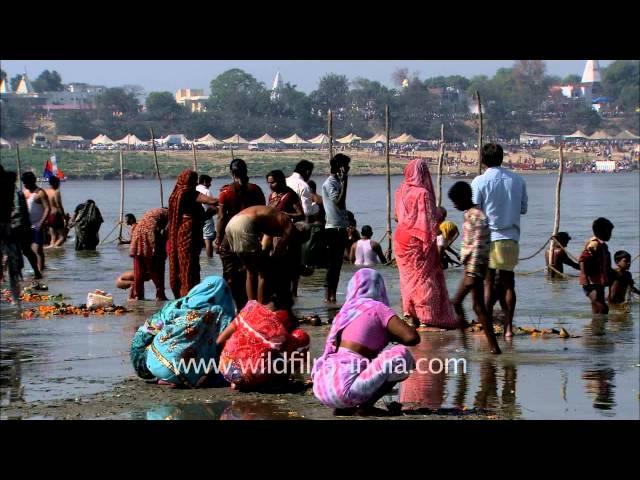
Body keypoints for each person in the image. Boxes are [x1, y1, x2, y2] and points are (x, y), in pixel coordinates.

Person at [312, 268, 419, 415]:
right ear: (379, 288)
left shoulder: (344, 312)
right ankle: (366, 406)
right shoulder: (377, 308)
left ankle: (344, 407)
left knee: (358, 361)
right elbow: (412, 338)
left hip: (322, 388)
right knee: (402, 356)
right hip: (346, 391)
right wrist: (392, 334)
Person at [129, 276, 235, 387]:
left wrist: (140, 364)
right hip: (190, 375)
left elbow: (146, 331)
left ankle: (165, 375)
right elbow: (224, 351)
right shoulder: (225, 317)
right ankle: (178, 378)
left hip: (156, 364)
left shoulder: (180, 304)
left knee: (154, 337)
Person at [393, 158, 459, 329]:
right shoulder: (422, 193)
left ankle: (410, 314)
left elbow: (397, 216)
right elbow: (428, 221)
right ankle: (426, 316)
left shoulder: (400, 190)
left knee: (407, 279)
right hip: (417, 239)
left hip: (400, 239)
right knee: (423, 278)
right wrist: (440, 214)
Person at [471, 143, 528, 338]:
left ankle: (487, 325)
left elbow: (474, 211)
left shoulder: (479, 181)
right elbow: (523, 209)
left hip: (489, 238)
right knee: (508, 284)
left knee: (487, 283)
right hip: (510, 238)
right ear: (502, 158)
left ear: (483, 160)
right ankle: (509, 328)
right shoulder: (517, 180)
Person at [448, 181, 501, 354]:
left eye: (456, 201)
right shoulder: (472, 214)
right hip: (473, 267)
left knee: (458, 302)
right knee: (478, 307)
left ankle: (466, 344)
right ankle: (491, 347)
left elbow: (478, 245)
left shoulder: (476, 216)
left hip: (474, 267)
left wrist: (472, 272)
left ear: (464, 198)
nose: (455, 205)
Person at [217, 299, 310, 391]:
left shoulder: (250, 308)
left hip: (226, 365)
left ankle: (239, 378)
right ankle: (276, 381)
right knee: (301, 337)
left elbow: (219, 341)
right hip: (252, 374)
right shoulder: (278, 328)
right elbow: (288, 353)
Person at [216, 159, 266, 310]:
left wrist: (218, 238)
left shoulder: (225, 192)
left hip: (230, 234)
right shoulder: (255, 190)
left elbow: (221, 217)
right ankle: (252, 305)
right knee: (251, 271)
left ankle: (236, 306)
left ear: (231, 173)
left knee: (230, 273)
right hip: (251, 233)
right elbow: (262, 212)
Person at [224, 205, 295, 307]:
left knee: (250, 270)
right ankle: (261, 306)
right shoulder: (289, 224)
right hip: (244, 224)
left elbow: (266, 241)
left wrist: (264, 255)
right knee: (264, 272)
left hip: (232, 224)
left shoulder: (273, 218)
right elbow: (279, 249)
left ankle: (251, 307)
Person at [167, 169, 218, 299]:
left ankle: (185, 292)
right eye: (194, 181)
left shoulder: (175, 194)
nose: (195, 184)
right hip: (188, 233)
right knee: (188, 265)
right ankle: (188, 295)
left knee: (187, 263)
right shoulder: (186, 192)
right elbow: (211, 201)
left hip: (183, 232)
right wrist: (223, 199)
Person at [116, 208, 169, 301]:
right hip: (149, 234)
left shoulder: (152, 215)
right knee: (155, 266)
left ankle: (137, 295)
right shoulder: (170, 214)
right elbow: (166, 232)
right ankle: (160, 294)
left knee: (139, 266)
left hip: (139, 236)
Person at [321, 154, 350, 303]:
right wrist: (345, 182)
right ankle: (328, 296)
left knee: (337, 265)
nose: (348, 169)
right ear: (339, 167)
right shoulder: (330, 183)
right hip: (333, 228)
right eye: (346, 166)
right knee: (333, 264)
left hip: (340, 227)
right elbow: (339, 202)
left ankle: (332, 296)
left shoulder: (337, 182)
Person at [579, 217, 614, 314]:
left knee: (598, 306)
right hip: (591, 281)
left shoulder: (602, 245)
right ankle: (598, 327)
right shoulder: (594, 244)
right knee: (602, 307)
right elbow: (582, 259)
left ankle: (596, 326)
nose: (611, 235)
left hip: (599, 280)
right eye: (609, 232)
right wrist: (584, 277)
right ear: (602, 232)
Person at [0, 168, 23, 306]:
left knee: (12, 268)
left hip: (7, 232)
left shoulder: (9, 189)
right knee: (13, 269)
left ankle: (16, 301)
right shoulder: (10, 189)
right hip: (8, 232)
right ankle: (16, 301)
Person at [21, 172, 51, 272]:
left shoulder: (40, 192)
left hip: (38, 224)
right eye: (23, 182)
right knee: (26, 250)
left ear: (32, 181)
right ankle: (35, 270)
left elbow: (47, 209)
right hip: (26, 225)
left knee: (38, 249)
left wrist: (41, 223)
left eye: (26, 182)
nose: (24, 184)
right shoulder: (24, 192)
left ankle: (40, 272)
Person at [196, 174, 217, 258]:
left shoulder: (194, 189)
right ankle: (210, 259)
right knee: (208, 240)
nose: (210, 184)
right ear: (204, 181)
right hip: (206, 217)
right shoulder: (206, 191)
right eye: (209, 182)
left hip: (196, 218)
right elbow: (212, 205)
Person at [45, 176, 66, 248]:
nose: (59, 185)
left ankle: (52, 254)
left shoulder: (45, 191)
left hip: (48, 216)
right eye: (59, 183)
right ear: (56, 183)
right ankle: (53, 250)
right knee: (62, 237)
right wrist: (64, 216)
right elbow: (59, 205)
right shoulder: (56, 192)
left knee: (53, 237)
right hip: (56, 215)